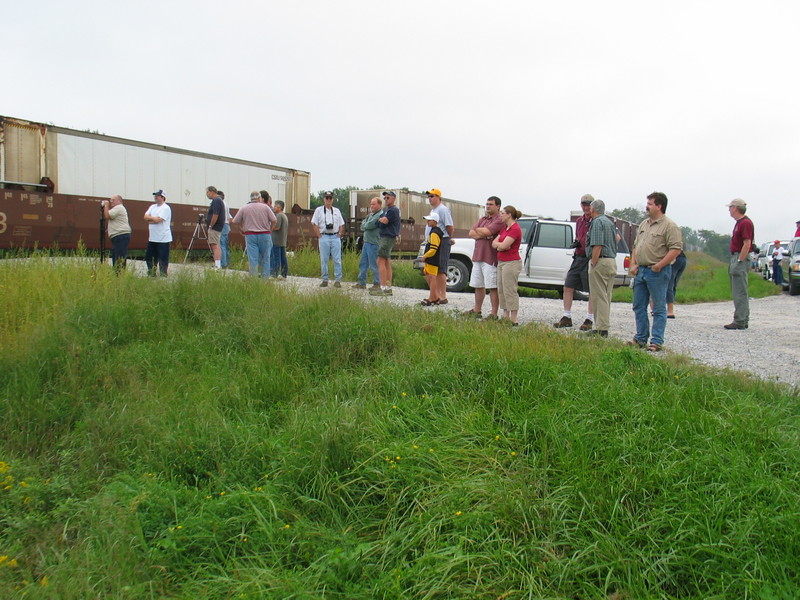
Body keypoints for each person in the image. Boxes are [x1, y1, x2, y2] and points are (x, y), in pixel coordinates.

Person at [628, 192, 683, 351]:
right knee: (638, 306)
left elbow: (675, 249)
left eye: (650, 203)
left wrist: (659, 265)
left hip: (657, 272)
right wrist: (633, 264)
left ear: (659, 206)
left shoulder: (669, 226)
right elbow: (636, 246)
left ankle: (656, 341)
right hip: (641, 271)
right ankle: (640, 338)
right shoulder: (644, 224)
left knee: (658, 308)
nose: (647, 206)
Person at [554, 194, 595, 330]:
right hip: (578, 257)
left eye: (588, 204)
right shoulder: (580, 221)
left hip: (590, 258)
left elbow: (614, 238)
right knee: (568, 285)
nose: (585, 207)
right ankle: (567, 316)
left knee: (592, 290)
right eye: (583, 204)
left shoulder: (597, 220)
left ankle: (589, 318)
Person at [463, 196, 504, 319]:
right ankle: (477, 310)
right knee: (478, 285)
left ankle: (493, 313)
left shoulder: (500, 220)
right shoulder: (483, 219)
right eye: (487, 204)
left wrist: (484, 233)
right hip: (478, 257)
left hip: (490, 258)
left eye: (491, 204)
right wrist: (485, 234)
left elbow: (487, 232)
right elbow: (471, 233)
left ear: (498, 206)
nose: (488, 206)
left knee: (492, 286)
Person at [586, 199, 618, 337]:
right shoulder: (609, 222)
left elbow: (597, 245)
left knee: (598, 296)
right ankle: (602, 325)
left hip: (601, 261)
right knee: (606, 295)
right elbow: (617, 239)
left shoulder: (597, 222)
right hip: (611, 261)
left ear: (593, 209)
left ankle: (601, 328)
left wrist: (593, 262)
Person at [232, 190, 277, 277]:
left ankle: (253, 278)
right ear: (260, 198)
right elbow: (274, 220)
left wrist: (241, 229)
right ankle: (265, 278)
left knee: (252, 258)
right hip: (265, 234)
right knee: (266, 258)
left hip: (250, 235)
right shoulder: (266, 207)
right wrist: (270, 229)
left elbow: (235, 221)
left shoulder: (244, 208)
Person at [725, 198, 754, 329]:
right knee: (738, 290)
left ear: (735, 208)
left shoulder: (745, 223)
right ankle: (743, 319)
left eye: (730, 207)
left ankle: (740, 320)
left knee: (739, 291)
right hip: (736, 256)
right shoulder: (739, 223)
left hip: (740, 257)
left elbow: (747, 244)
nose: (729, 210)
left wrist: (739, 260)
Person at [492, 206, 523, 326]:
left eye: (503, 213)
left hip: (511, 263)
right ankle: (505, 315)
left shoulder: (515, 229)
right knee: (502, 289)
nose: (501, 215)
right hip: (501, 261)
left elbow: (504, 246)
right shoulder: (505, 228)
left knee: (510, 289)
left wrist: (501, 246)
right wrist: (501, 245)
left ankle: (514, 318)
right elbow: (495, 243)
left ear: (509, 215)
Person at [424, 188, 454, 304]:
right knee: (432, 269)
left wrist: (448, 238)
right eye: (429, 196)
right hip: (433, 241)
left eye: (432, 196)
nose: (430, 198)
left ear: (439, 197)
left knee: (441, 269)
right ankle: (434, 295)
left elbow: (449, 226)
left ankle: (442, 296)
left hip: (441, 241)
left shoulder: (443, 210)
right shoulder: (433, 211)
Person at [311, 191, 345, 287]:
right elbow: (314, 223)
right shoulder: (319, 210)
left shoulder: (337, 211)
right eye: (327, 198)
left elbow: (341, 224)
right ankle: (325, 279)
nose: (328, 200)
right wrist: (319, 235)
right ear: (324, 199)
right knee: (324, 259)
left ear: (333, 199)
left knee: (337, 259)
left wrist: (339, 233)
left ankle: (338, 279)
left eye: (330, 198)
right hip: (324, 236)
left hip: (335, 236)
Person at [371, 190, 401, 297]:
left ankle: (383, 287)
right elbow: (377, 223)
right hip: (385, 237)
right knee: (387, 261)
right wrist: (381, 221)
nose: (386, 200)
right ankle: (388, 287)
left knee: (380, 261)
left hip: (388, 237)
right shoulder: (386, 210)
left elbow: (383, 224)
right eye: (385, 198)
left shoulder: (393, 210)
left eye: (388, 198)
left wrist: (382, 221)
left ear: (393, 198)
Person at [354, 197, 382, 290]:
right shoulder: (370, 215)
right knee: (363, 263)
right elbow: (362, 226)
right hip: (366, 242)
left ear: (379, 205)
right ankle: (362, 282)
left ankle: (377, 283)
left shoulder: (380, 215)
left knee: (374, 264)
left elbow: (370, 225)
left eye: (374, 204)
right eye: (371, 204)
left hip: (373, 243)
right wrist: (365, 225)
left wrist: (365, 225)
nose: (372, 206)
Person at [144, 189, 172, 276]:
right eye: (155, 195)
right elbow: (145, 217)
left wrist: (151, 219)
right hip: (152, 237)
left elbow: (159, 220)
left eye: (157, 196)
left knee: (163, 258)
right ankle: (151, 273)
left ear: (163, 197)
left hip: (163, 238)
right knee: (150, 257)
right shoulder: (152, 207)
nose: (155, 197)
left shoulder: (166, 208)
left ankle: (163, 274)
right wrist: (153, 219)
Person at [419, 212, 444, 306]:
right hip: (432, 258)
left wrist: (425, 256)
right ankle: (435, 296)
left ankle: (432, 298)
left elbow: (434, 248)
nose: (427, 222)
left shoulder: (434, 233)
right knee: (429, 276)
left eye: (429, 220)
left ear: (435, 221)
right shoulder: (435, 231)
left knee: (432, 278)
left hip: (433, 259)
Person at [102, 194, 131, 272]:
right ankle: (117, 273)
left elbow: (107, 216)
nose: (111, 201)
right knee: (116, 255)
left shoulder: (119, 208)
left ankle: (119, 273)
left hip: (121, 235)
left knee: (119, 256)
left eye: (113, 200)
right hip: (118, 236)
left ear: (119, 201)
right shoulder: (117, 208)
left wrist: (106, 205)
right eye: (110, 200)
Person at [205, 186, 225, 269]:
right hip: (218, 227)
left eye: (207, 192)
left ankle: (217, 265)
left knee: (214, 246)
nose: (207, 194)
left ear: (211, 191)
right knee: (217, 245)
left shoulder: (216, 200)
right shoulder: (219, 200)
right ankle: (218, 264)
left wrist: (211, 225)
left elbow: (215, 214)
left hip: (215, 227)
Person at [271, 200, 289, 279]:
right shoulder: (284, 216)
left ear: (279, 207)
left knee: (276, 258)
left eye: (275, 206)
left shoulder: (279, 216)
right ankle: (284, 274)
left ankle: (275, 274)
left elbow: (277, 227)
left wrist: (270, 228)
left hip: (277, 240)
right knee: (283, 258)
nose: (274, 207)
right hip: (282, 240)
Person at [218, 190, 232, 268]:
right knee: (225, 245)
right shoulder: (226, 204)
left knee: (221, 245)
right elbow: (230, 218)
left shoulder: (220, 203)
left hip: (222, 225)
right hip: (226, 225)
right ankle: (227, 262)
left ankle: (223, 263)